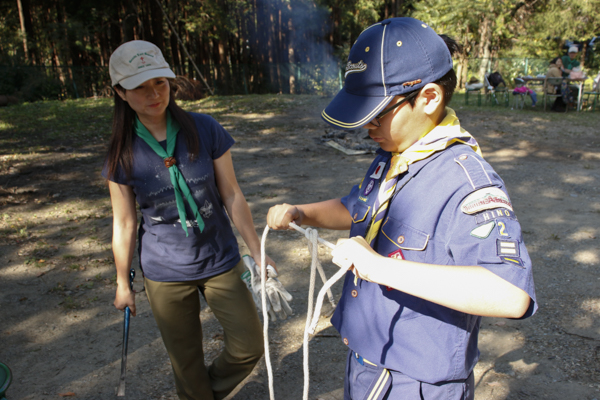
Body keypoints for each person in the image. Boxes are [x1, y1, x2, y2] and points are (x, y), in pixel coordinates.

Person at [267, 18, 536, 399]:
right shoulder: (393, 155)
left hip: (416, 379)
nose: (368, 126)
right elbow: (357, 207)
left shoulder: (467, 182)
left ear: (428, 98)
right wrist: (301, 212)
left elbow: (510, 294)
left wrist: (379, 267)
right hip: (366, 356)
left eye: (378, 112)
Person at [104, 40, 273, 400]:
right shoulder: (122, 152)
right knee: (186, 363)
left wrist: (257, 251)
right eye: (140, 87)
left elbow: (232, 195)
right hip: (164, 272)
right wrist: (122, 282)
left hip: (220, 259)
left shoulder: (205, 128)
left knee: (249, 346)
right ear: (120, 92)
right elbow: (124, 223)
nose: (154, 94)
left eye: (160, 83)